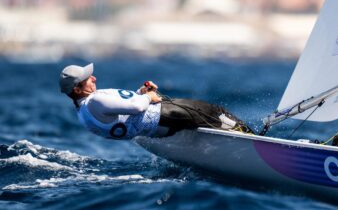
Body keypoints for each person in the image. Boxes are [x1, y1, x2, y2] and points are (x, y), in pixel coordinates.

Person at [59, 63, 253, 140]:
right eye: (88, 79)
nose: (93, 78)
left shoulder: (84, 113)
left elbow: (123, 116)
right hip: (166, 114)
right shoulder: (95, 101)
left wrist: (141, 92)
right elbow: (136, 106)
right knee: (215, 112)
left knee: (210, 119)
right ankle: (251, 138)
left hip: (158, 127)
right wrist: (148, 97)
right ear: (77, 89)